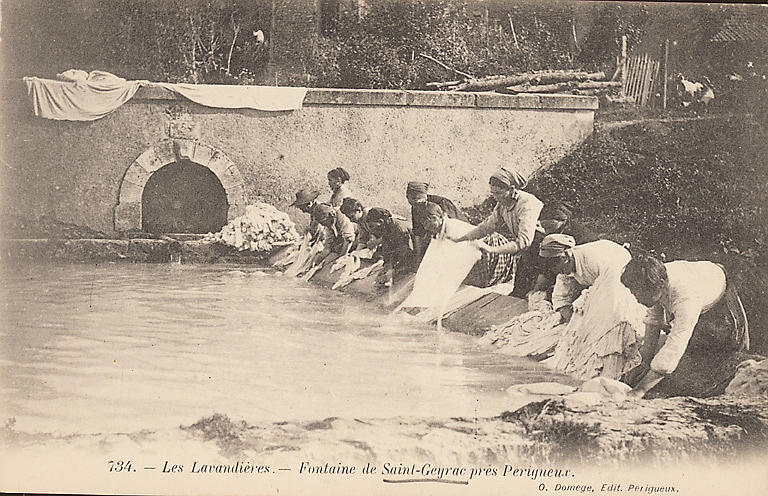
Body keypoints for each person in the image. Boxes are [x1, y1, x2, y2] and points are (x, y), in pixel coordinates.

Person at [619, 251, 750, 398]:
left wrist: (639, 390)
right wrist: (644, 363)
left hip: (720, 303)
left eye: (639, 293)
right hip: (700, 282)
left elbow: (674, 346)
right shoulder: (653, 277)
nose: (636, 298)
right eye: (634, 293)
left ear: (660, 285)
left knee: (713, 364)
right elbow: (653, 321)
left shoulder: (686, 298)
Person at [540, 235, 646, 379]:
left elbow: (610, 299)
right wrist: (574, 326)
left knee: (612, 331)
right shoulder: (563, 269)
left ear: (565, 256)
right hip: (600, 284)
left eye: (555, 265)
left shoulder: (593, 260)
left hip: (620, 275)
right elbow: (561, 298)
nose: (555, 271)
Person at [448, 168, 543, 291]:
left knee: (538, 291)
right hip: (528, 252)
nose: (494, 197)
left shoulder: (527, 204)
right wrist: (461, 238)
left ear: (512, 189)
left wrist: (492, 249)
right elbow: (486, 227)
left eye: (498, 193)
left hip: (545, 252)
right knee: (519, 291)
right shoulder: (502, 204)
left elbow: (524, 242)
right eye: (492, 193)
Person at [416, 202, 513, 288]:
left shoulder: (452, 229)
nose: (425, 227)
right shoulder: (440, 231)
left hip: (491, 249)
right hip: (477, 248)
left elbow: (471, 254)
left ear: (435, 218)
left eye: (425, 223)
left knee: (472, 281)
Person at [406, 181, 468, 262]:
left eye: (417, 199)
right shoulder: (415, 207)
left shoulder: (441, 203)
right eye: (410, 199)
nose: (414, 203)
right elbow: (418, 235)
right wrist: (419, 260)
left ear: (424, 196)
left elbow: (456, 227)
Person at [364, 207, 417, 287]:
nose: (372, 230)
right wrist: (387, 266)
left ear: (381, 222)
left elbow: (405, 253)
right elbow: (387, 249)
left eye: (372, 226)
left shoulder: (399, 229)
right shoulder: (386, 227)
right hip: (404, 255)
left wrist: (393, 271)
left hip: (414, 258)